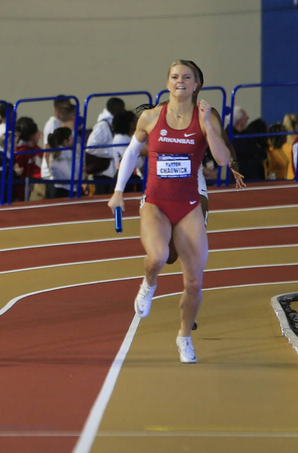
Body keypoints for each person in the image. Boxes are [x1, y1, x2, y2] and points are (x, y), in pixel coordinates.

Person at [107, 60, 245, 364]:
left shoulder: (206, 117)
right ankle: (149, 284)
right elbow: (130, 153)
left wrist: (208, 126)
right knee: (157, 257)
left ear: (197, 84)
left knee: (194, 281)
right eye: (174, 76)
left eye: (186, 77)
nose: (180, 81)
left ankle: (184, 337)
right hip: (156, 201)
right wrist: (118, 192)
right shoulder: (151, 116)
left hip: (189, 205)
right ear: (167, 82)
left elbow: (222, 159)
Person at [11, 117, 43, 201]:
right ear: (33, 135)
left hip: (34, 187)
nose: (39, 135)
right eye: (38, 133)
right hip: (21, 190)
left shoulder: (37, 149)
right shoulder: (20, 152)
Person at [45, 126, 74, 199]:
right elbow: (70, 175)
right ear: (65, 141)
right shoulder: (61, 154)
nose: (73, 139)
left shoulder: (62, 153)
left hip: (63, 189)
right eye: (71, 137)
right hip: (64, 191)